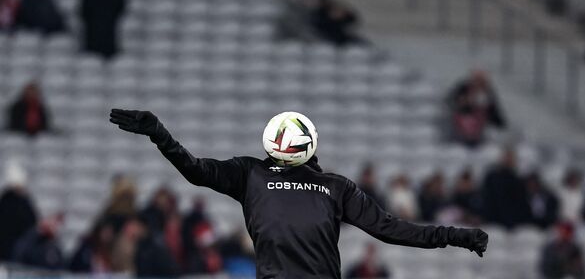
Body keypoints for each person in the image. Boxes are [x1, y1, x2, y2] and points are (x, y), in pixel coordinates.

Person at [109, 109, 488, 279]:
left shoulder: (249, 172)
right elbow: (392, 229)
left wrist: (160, 134)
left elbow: (193, 168)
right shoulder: (335, 187)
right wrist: (454, 236)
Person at [446, 70, 507, 147]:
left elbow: (495, 112)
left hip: (479, 123)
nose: (478, 83)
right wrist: (464, 101)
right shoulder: (463, 88)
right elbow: (450, 101)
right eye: (476, 80)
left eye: (481, 81)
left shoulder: (488, 93)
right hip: (462, 119)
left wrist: (500, 124)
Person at [482, 148, 530, 229]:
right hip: (492, 220)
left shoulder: (519, 181)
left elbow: (521, 204)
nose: (508, 160)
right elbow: (488, 199)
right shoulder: (492, 178)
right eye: (506, 157)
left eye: (511, 157)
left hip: (513, 222)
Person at [0, 161, 37, 261]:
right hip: (8, 246)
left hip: (21, 245)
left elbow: (32, 221)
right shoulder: (6, 200)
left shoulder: (24, 200)